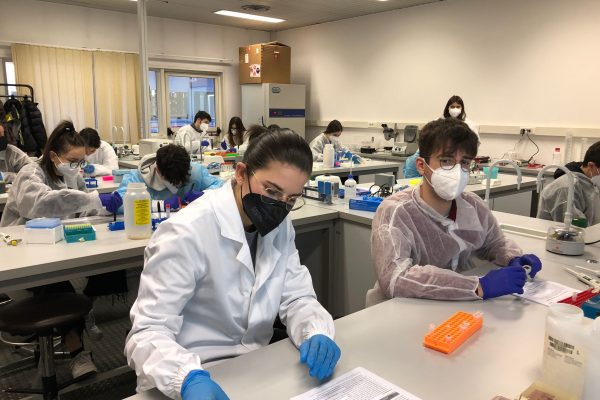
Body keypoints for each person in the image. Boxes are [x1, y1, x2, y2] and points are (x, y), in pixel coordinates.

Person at [125, 127, 341, 399]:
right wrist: (186, 378)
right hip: (188, 373)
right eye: (272, 191)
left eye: (291, 199)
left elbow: (297, 296)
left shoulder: (280, 227)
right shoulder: (186, 232)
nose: (279, 206)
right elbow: (147, 332)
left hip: (253, 367)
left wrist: (315, 331)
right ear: (241, 173)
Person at [371, 118, 541, 301]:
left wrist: (513, 258)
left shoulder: (472, 205)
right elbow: (395, 278)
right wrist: (477, 287)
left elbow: (494, 242)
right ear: (421, 165)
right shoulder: (396, 211)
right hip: (401, 307)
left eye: (465, 162)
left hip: (457, 305)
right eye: (446, 160)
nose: (457, 172)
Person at [1, 120, 122, 227]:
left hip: (55, 234)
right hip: (18, 236)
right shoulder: (30, 174)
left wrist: (104, 209)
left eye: (81, 161)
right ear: (53, 156)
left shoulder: (74, 176)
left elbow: (82, 209)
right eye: (72, 161)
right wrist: (93, 199)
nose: (76, 167)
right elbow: (42, 204)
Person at [116, 144, 223, 210]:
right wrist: (160, 205)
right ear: (157, 169)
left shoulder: (195, 171)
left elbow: (220, 186)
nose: (176, 186)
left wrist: (204, 195)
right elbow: (120, 204)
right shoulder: (137, 178)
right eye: (171, 180)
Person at [403, 95, 479, 178]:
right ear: (448, 108)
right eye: (452, 106)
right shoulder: (438, 122)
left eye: (458, 107)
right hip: (430, 153)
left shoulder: (469, 125)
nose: (455, 109)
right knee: (412, 164)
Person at [537, 141, 600, 226]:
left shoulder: (590, 185)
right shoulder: (566, 188)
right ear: (591, 166)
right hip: (557, 233)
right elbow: (573, 226)